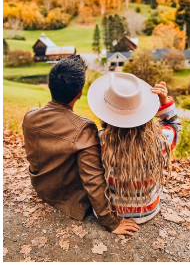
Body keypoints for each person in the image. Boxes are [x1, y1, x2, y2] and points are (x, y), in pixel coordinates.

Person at [22, 55, 139, 235]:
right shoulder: (83, 129)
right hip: (69, 201)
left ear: (49, 86)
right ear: (80, 93)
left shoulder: (30, 116)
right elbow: (92, 179)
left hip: (40, 188)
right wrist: (111, 223)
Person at [87, 73, 182, 224]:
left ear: (105, 113)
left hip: (112, 212)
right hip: (148, 211)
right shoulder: (162, 139)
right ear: (144, 111)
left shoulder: (97, 141)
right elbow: (175, 127)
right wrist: (164, 102)